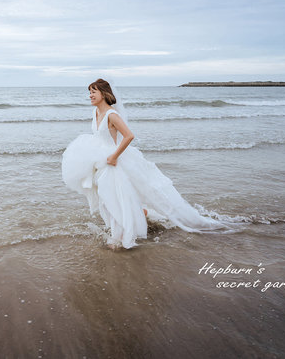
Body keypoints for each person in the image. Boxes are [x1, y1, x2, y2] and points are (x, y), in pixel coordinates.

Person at [62, 78, 222, 249]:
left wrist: (114, 156)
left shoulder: (112, 115)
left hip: (112, 162)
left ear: (104, 93)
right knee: (104, 199)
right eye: (90, 92)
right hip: (100, 162)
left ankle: (120, 237)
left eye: (93, 91)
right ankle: (139, 215)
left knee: (114, 199)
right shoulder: (95, 113)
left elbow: (129, 136)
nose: (90, 95)